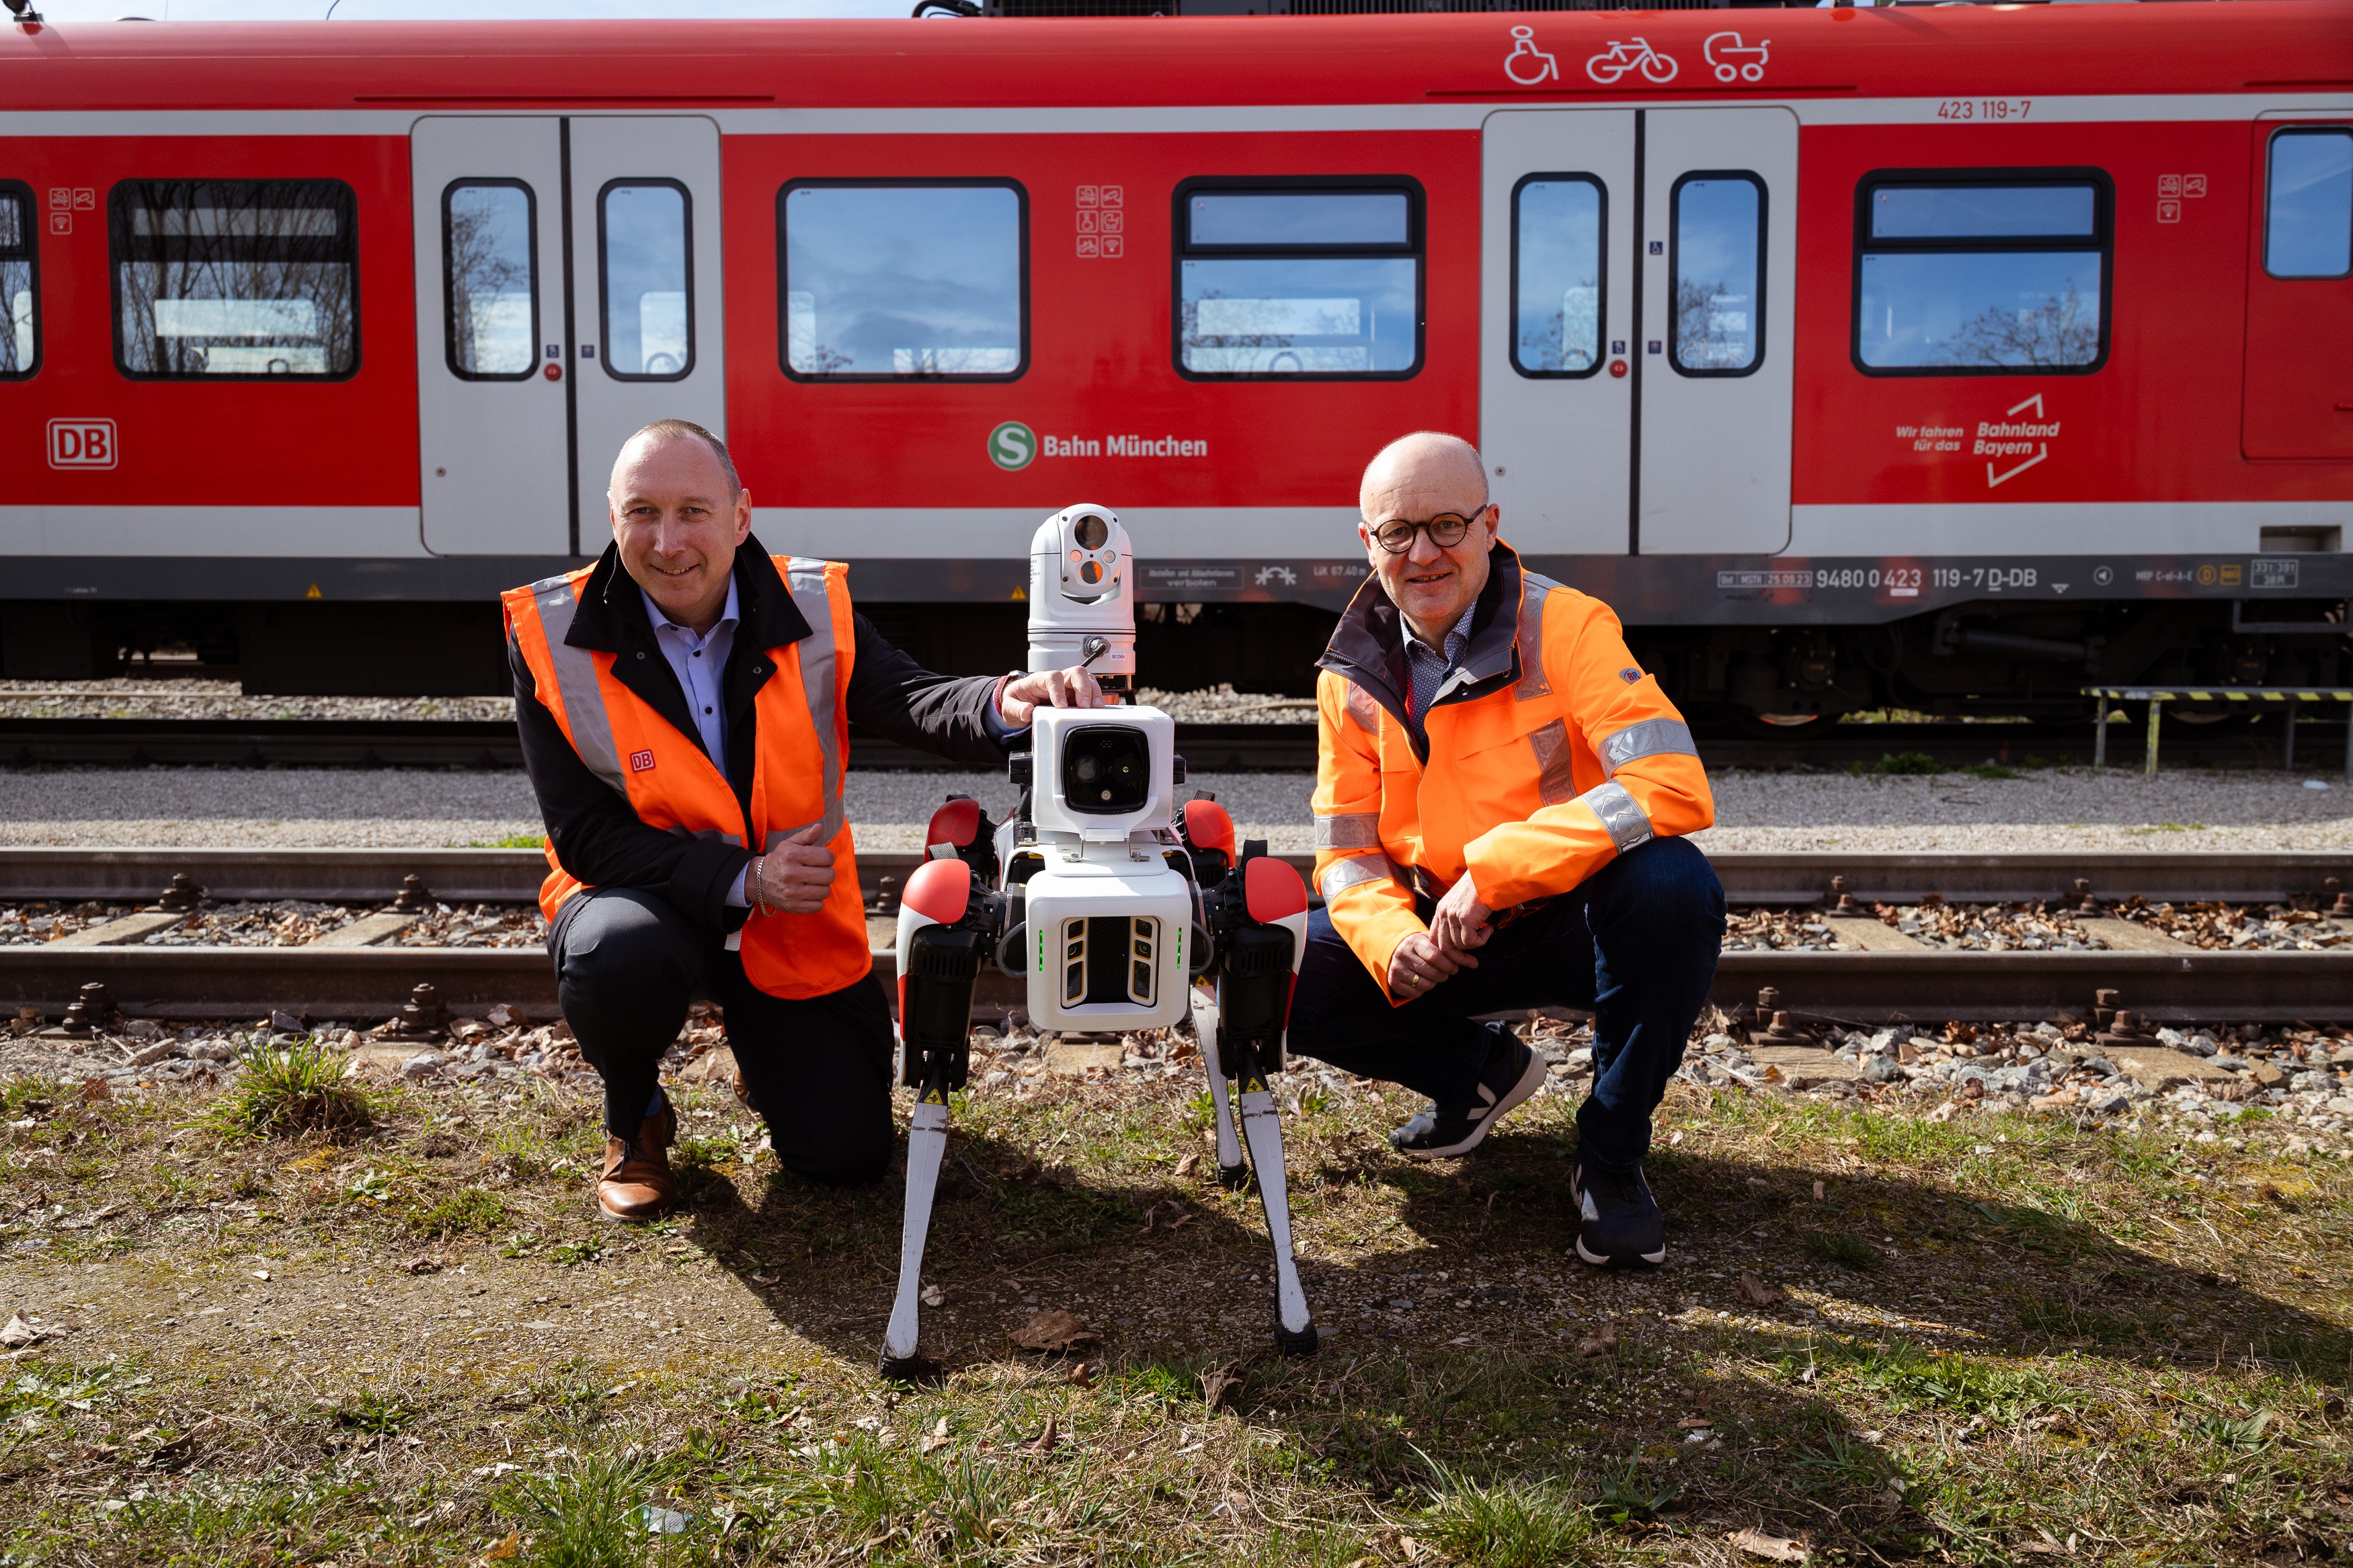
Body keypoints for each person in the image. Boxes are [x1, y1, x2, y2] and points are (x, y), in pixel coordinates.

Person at [504, 419, 1101, 1221]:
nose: (667, 541)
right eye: (642, 512)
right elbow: (585, 836)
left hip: (792, 921)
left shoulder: (812, 603)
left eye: (692, 511)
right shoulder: (551, 632)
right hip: (642, 898)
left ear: (740, 516)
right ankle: (635, 1114)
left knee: (845, 1158)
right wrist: (744, 877)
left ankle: (769, 1053)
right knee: (615, 954)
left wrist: (1002, 698)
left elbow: (910, 697)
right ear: (613, 520)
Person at [1290, 431, 1724, 1268]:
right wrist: (1391, 941)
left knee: (1672, 886)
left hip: (1572, 920)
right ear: (1368, 542)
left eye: (1447, 525)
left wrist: (1495, 873)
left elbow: (1671, 783)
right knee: (1268, 967)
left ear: (1489, 525)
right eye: (1398, 532)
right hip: (1439, 933)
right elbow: (1344, 850)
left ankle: (1609, 1155)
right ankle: (1477, 1075)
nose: (1423, 553)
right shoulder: (1347, 673)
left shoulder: (1566, 624)